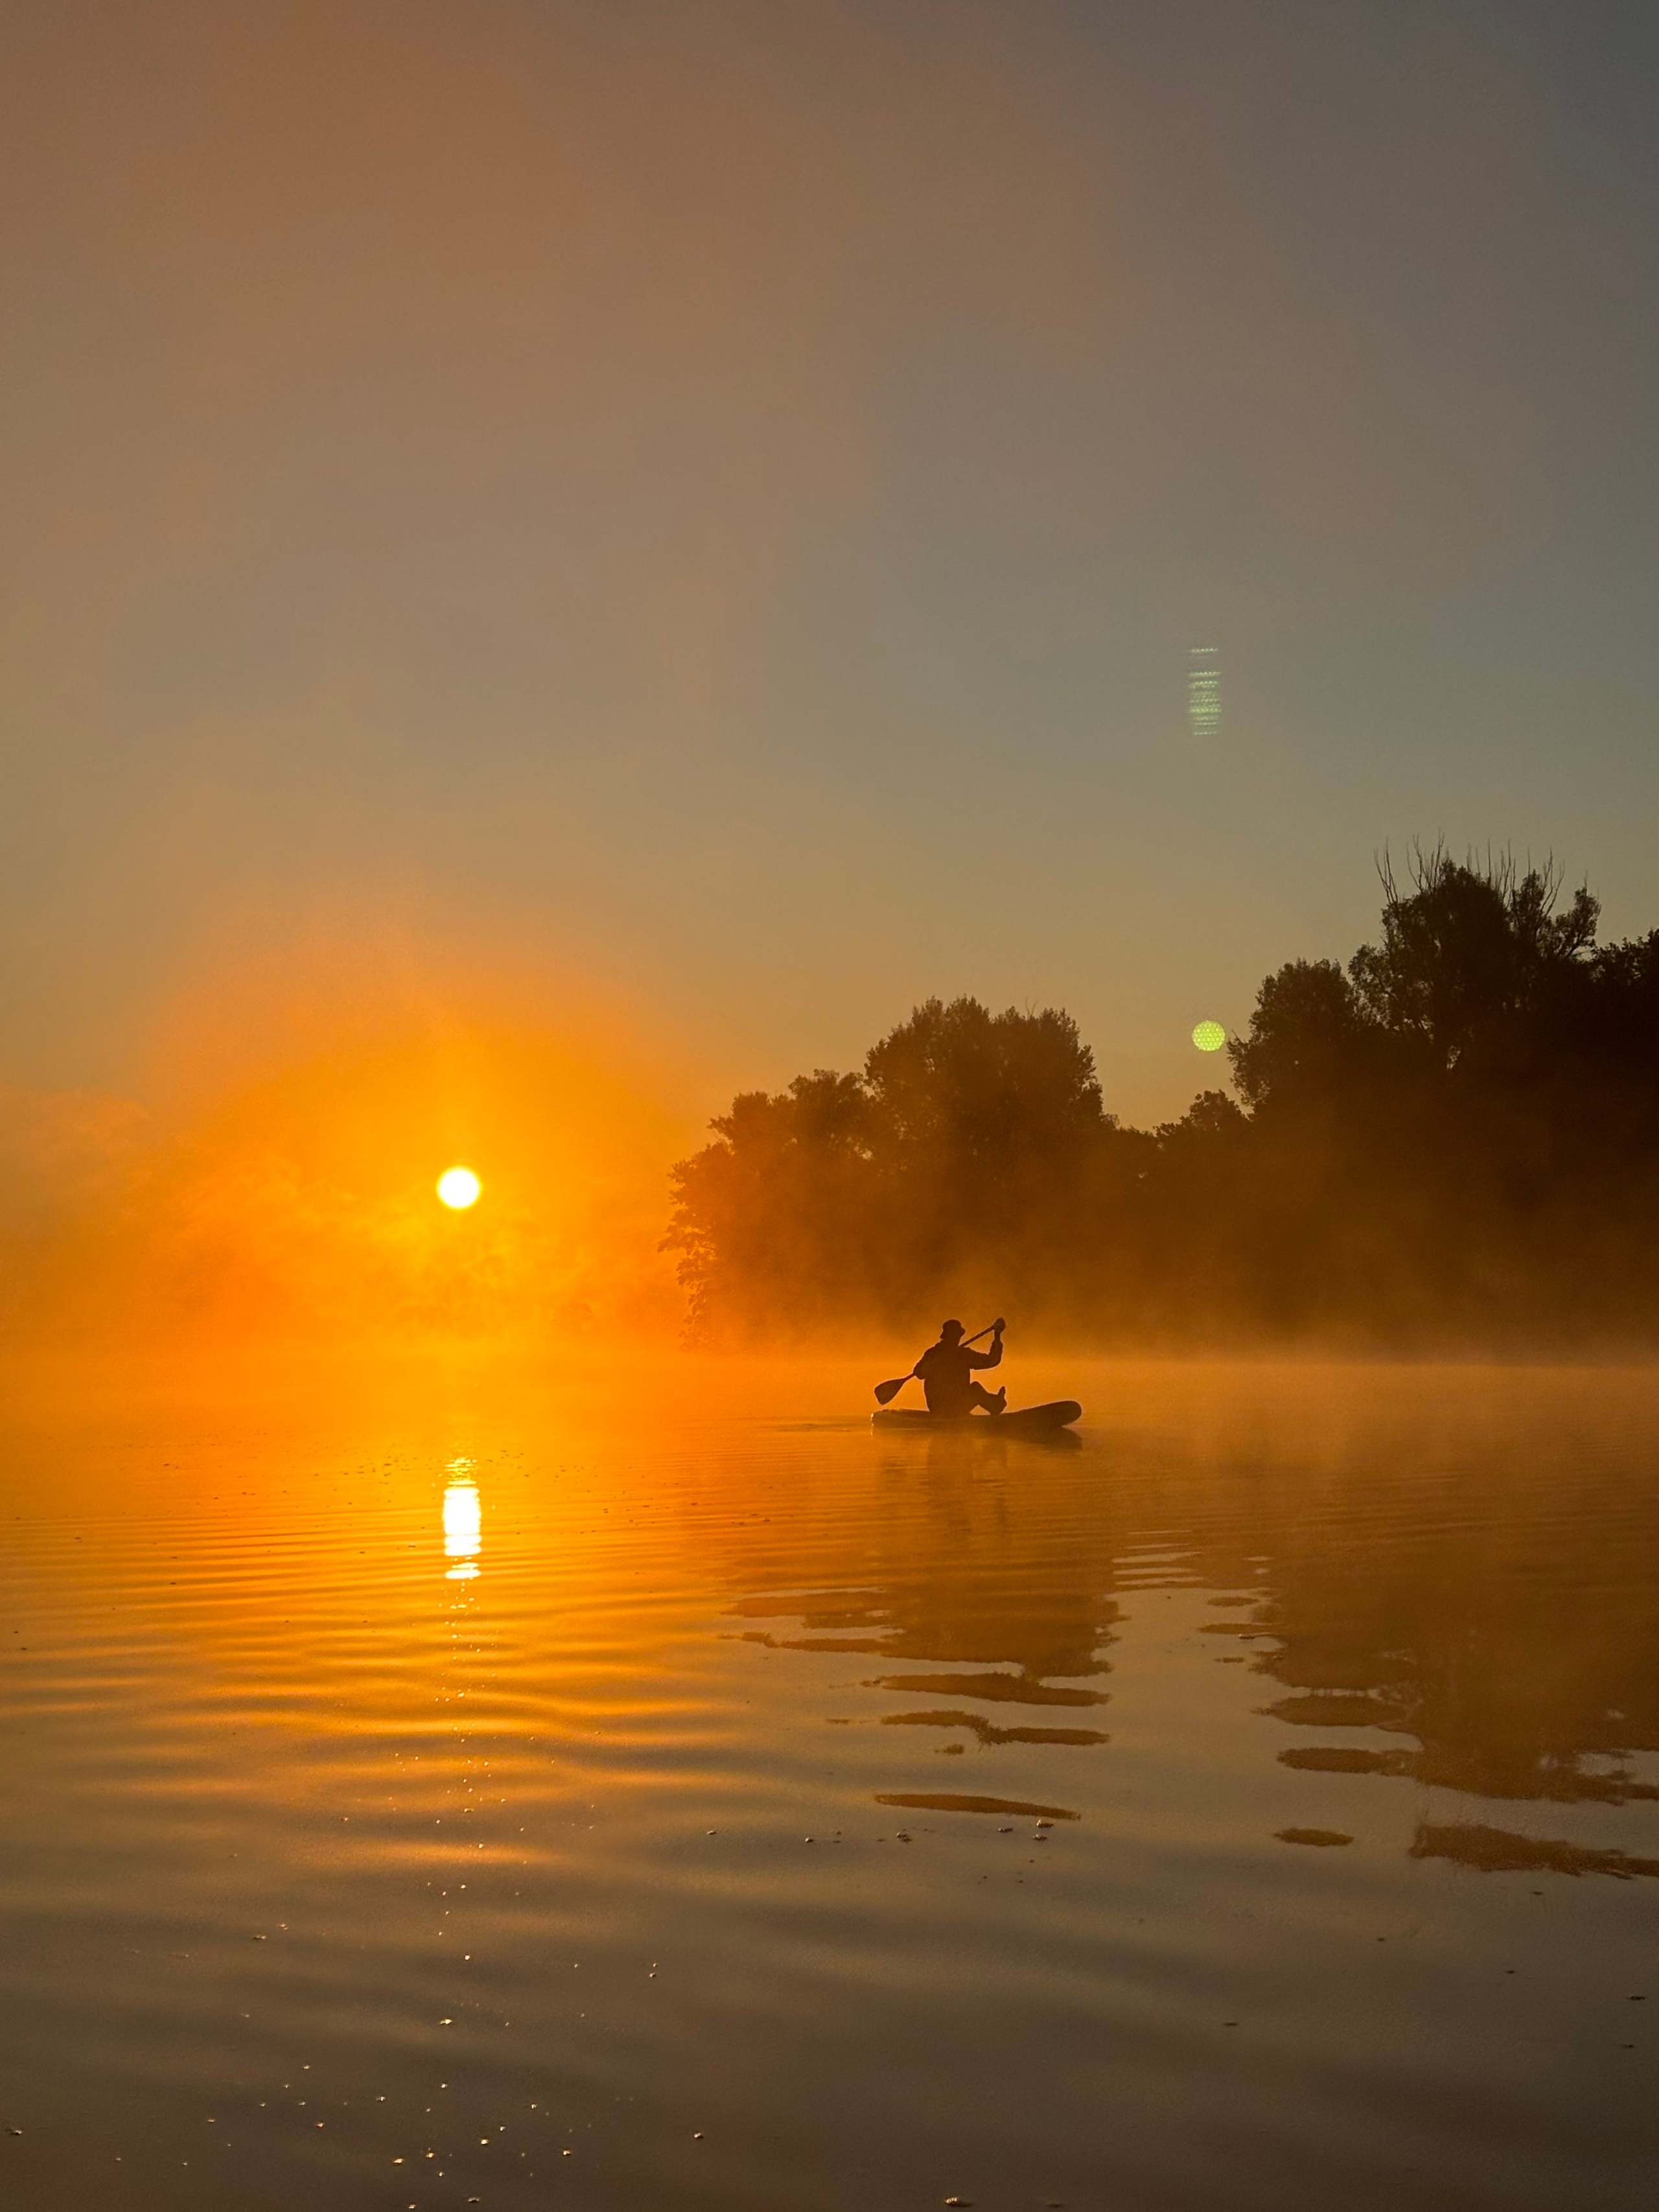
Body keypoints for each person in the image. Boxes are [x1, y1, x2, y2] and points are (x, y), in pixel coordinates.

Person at [913, 1317, 1006, 1416]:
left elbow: (919, 1373)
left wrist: (997, 1337)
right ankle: (996, 1405)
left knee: (975, 1388)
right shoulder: (954, 1355)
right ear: (951, 1336)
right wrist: (997, 1336)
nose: (958, 1339)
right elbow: (919, 1373)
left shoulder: (934, 1353)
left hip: (939, 1407)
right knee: (975, 1389)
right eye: (957, 1336)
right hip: (946, 1407)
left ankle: (995, 1403)